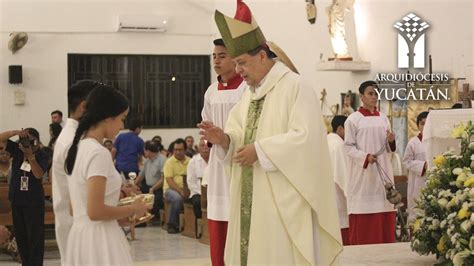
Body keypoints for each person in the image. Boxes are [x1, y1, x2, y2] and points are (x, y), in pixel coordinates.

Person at [199, 1, 342, 264]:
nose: (238, 70)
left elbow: (306, 138)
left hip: (282, 201)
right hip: (252, 197)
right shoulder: (250, 96)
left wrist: (261, 151)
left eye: (242, 62)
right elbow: (239, 136)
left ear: (263, 56)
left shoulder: (295, 87)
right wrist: (224, 141)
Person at [64, 84, 149, 265]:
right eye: (121, 119)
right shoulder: (98, 153)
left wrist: (118, 198)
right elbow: (95, 211)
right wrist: (134, 208)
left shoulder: (79, 148)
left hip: (80, 236)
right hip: (99, 240)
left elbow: (76, 207)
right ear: (107, 118)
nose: (122, 125)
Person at [201, 37, 246, 266]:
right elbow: (206, 124)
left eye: (222, 56)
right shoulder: (211, 91)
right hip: (218, 168)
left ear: (235, 59)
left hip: (241, 162)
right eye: (214, 56)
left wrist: (226, 140)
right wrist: (207, 142)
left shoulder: (247, 88)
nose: (216, 61)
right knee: (219, 230)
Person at [344, 80, 397, 245]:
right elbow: (348, 148)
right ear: (361, 96)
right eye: (370, 93)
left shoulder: (383, 118)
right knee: (366, 228)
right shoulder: (353, 120)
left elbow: (390, 149)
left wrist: (391, 141)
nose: (374, 97)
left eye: (376, 93)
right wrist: (365, 157)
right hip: (363, 177)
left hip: (383, 174)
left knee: (384, 220)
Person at [52, 80, 96, 264]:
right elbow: (82, 194)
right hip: (79, 226)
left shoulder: (75, 137)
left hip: (77, 224)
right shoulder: (73, 142)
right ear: (84, 107)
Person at [0, 128, 49, 265]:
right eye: (26, 140)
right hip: (17, 200)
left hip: (33, 202)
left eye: (31, 140)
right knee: (21, 237)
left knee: (35, 238)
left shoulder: (42, 154)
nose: (29, 143)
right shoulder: (17, 150)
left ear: (38, 142)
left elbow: (38, 174)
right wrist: (16, 133)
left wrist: (30, 156)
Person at [327, 115, 350, 245]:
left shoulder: (326, 141)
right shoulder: (338, 146)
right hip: (340, 204)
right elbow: (344, 177)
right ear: (340, 128)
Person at [403, 111, 428, 222]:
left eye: (427, 123)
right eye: (422, 123)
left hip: (432, 181)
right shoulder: (413, 143)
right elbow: (406, 161)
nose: (425, 126)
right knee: (417, 213)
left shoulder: (436, 141)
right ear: (418, 125)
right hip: (418, 182)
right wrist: (423, 166)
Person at [162, 138, 190, 234]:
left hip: (187, 188)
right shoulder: (169, 162)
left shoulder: (190, 161)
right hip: (170, 190)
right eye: (175, 150)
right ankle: (172, 224)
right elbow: (169, 181)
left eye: (180, 150)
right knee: (177, 198)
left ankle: (190, 227)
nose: (177, 152)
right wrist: (180, 191)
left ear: (185, 150)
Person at [134, 140, 166, 222]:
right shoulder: (147, 161)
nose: (144, 152)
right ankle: (140, 217)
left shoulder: (162, 160)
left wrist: (153, 188)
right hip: (148, 186)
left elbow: (163, 179)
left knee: (156, 198)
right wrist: (133, 185)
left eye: (144, 150)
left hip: (158, 187)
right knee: (137, 194)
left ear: (148, 151)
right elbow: (141, 175)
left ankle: (154, 217)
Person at [186, 139, 209, 225]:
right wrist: (203, 193)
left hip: (213, 192)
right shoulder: (193, 161)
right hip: (197, 192)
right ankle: (200, 224)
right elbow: (191, 182)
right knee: (197, 201)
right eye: (202, 146)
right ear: (198, 148)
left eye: (208, 145)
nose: (206, 148)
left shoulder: (216, 160)